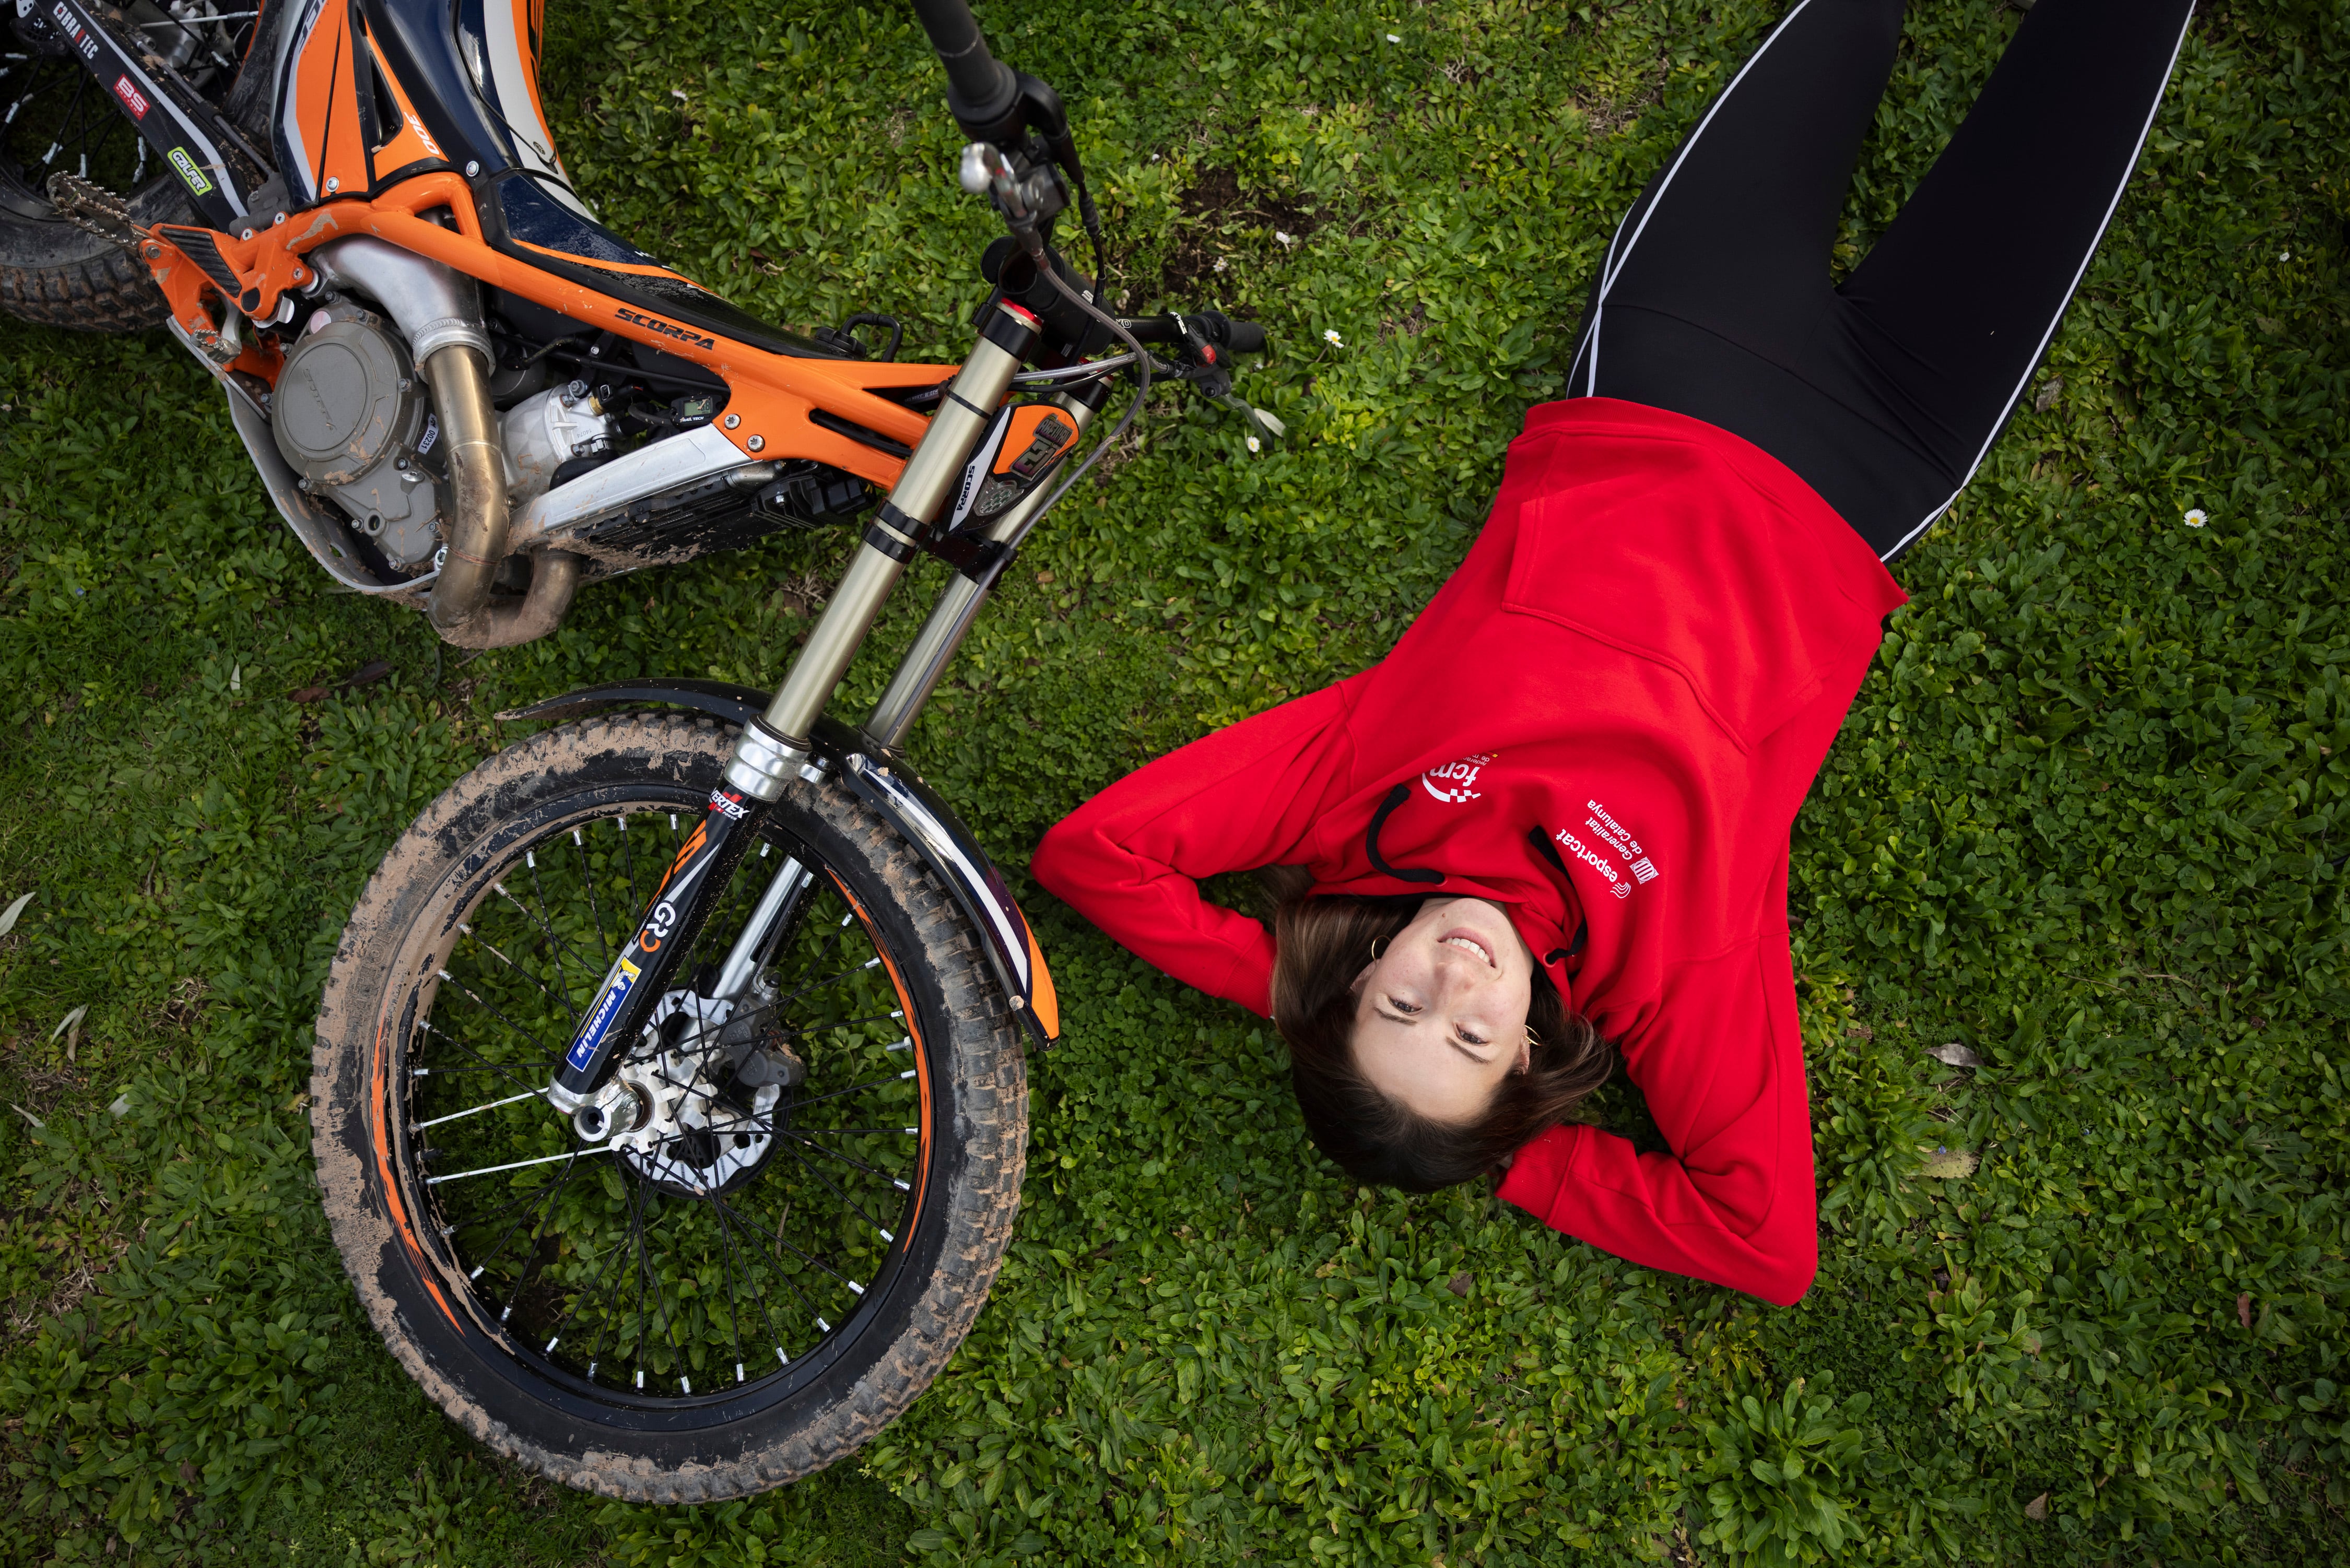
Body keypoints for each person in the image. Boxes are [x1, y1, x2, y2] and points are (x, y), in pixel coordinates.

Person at [1031, 0, 2196, 1305]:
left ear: (1360, 974)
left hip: (1681, 354)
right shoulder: (1672, 972)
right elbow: (1763, 1242)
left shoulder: (1355, 796)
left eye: (1398, 1006)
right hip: (1890, 442)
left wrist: (1284, 993)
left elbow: (1093, 857)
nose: (1452, 980)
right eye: (1471, 1034)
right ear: (1526, 1049)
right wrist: (1524, 1165)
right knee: (2111, 42)